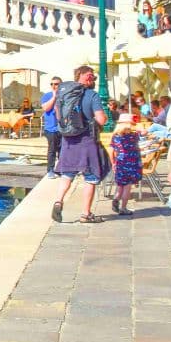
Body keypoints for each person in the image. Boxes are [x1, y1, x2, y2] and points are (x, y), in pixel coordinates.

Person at [52, 65, 109, 224]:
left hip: (68, 140)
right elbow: (101, 119)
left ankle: (58, 201)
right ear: (87, 77)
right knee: (91, 177)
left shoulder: (65, 94)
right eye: (92, 76)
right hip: (87, 141)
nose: (93, 79)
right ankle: (85, 214)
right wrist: (104, 118)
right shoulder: (92, 95)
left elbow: (58, 114)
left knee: (67, 174)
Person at [110, 113, 141, 216]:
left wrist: (113, 162)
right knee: (127, 186)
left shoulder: (115, 136)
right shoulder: (134, 136)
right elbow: (143, 133)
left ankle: (116, 199)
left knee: (120, 185)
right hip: (132, 163)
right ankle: (123, 208)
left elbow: (111, 151)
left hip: (120, 162)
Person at [40, 76, 63, 178]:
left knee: (62, 150)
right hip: (51, 128)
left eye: (56, 84)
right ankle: (50, 170)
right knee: (52, 150)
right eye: (52, 84)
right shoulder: (47, 96)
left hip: (63, 128)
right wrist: (54, 97)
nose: (54, 86)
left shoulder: (65, 96)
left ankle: (61, 169)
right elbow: (46, 108)